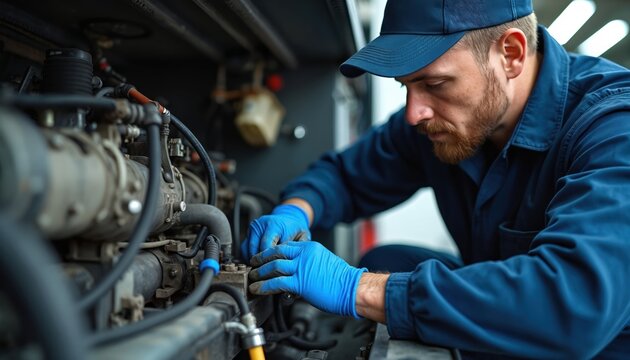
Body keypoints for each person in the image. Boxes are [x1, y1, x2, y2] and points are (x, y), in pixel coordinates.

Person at [242, 0, 630, 358]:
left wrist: (357, 289)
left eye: (435, 84)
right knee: (385, 260)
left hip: (597, 344)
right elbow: (344, 175)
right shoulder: (445, 122)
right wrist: (295, 211)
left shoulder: (614, 128)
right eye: (405, 86)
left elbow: (575, 304)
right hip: (518, 318)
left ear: (510, 54)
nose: (414, 113)